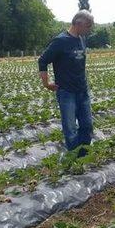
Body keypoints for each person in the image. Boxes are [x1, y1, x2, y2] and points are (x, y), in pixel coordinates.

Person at [38, 10, 94, 156]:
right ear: (78, 24)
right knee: (70, 130)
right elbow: (42, 60)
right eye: (88, 26)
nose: (89, 30)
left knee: (87, 126)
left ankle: (84, 155)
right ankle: (75, 158)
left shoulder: (81, 39)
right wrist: (46, 83)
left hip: (82, 90)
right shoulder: (60, 41)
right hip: (67, 92)